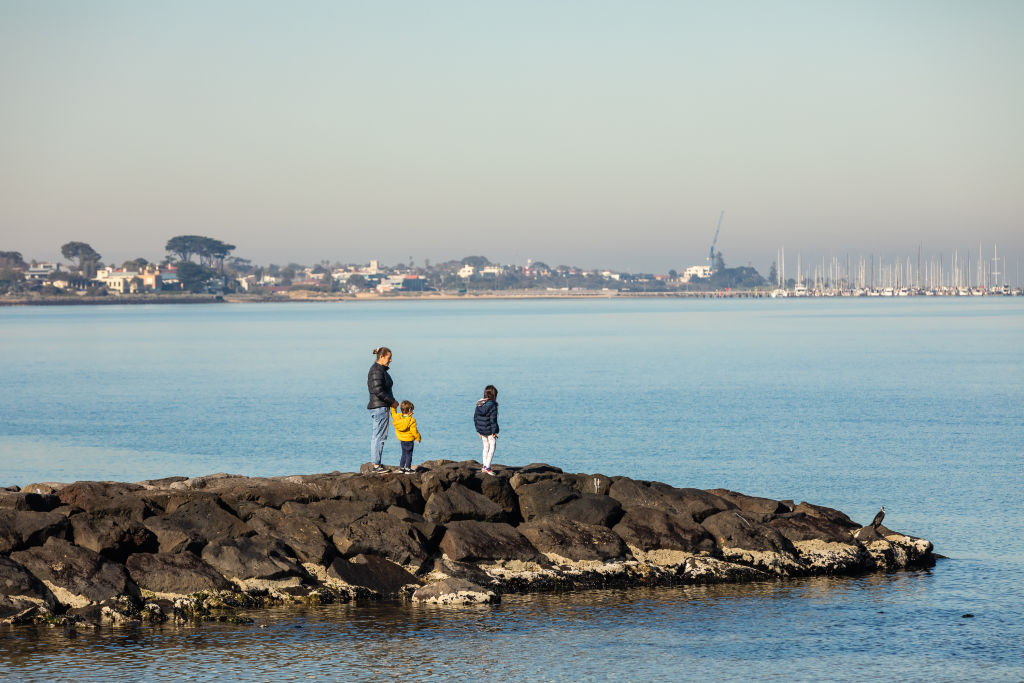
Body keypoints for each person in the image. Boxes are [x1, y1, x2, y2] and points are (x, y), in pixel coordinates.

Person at [367, 347, 398, 473]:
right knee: (379, 436)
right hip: (380, 407)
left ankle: (376, 463)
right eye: (388, 357)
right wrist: (392, 402)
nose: (390, 360)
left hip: (381, 406)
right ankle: (376, 465)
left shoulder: (380, 370)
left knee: (379, 435)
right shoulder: (376, 371)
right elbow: (378, 390)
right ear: (381, 357)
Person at [474, 385, 499, 475]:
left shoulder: (479, 404)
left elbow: (475, 418)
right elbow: (493, 420)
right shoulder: (492, 405)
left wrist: (478, 430)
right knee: (492, 446)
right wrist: (494, 431)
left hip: (481, 430)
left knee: (485, 446)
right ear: (493, 395)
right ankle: (487, 467)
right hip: (489, 430)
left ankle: (484, 466)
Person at [391, 400, 422, 474]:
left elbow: (393, 413)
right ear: (410, 410)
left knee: (403, 453)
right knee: (409, 454)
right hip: (409, 440)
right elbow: (414, 431)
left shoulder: (397, 417)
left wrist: (393, 407)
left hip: (402, 440)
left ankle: (401, 468)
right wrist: (418, 437)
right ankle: (408, 468)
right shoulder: (411, 420)